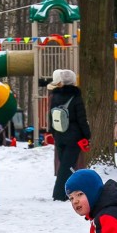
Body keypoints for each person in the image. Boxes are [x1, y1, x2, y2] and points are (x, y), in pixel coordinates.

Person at [47, 69, 92, 201]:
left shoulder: (55, 96)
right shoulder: (76, 97)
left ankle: (69, 191)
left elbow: (51, 116)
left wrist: (53, 133)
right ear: (73, 81)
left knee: (66, 165)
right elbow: (81, 119)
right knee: (67, 167)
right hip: (74, 137)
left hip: (59, 135)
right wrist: (87, 135)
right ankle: (59, 195)